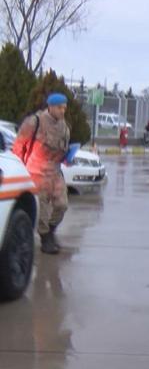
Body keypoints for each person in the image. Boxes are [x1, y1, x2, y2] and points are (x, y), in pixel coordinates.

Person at [12, 93, 71, 254]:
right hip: (37, 171)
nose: (62, 111)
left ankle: (50, 231)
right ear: (50, 106)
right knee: (43, 208)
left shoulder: (63, 125)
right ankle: (45, 238)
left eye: (64, 108)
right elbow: (19, 144)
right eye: (59, 107)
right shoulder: (35, 122)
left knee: (62, 205)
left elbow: (63, 147)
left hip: (55, 171)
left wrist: (67, 158)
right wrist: (18, 167)